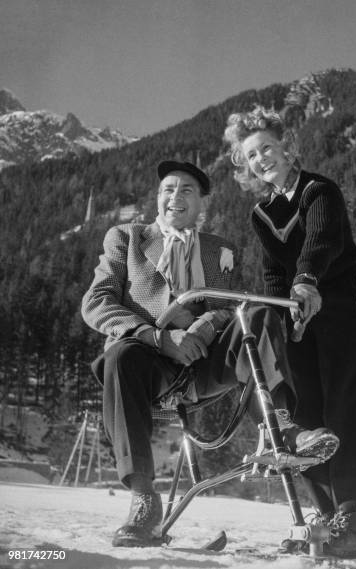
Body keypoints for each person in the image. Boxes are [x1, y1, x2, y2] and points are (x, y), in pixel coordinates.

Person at [81, 160, 338, 547]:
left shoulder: (220, 250)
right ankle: (143, 498)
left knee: (257, 313)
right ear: (157, 198)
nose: (175, 196)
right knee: (120, 356)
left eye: (186, 190)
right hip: (145, 362)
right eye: (168, 188)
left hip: (204, 362)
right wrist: (157, 337)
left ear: (202, 204)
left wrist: (206, 324)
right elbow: (97, 302)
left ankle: (279, 427)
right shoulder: (127, 238)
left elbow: (226, 304)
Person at [224, 108, 356, 560]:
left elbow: (321, 241)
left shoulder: (318, 189)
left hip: (342, 302)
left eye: (267, 147)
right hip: (297, 313)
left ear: (287, 146)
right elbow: (273, 270)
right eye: (251, 155)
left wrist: (306, 279)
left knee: (345, 405)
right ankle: (325, 519)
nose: (261, 158)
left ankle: (352, 520)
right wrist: (273, 318)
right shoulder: (262, 212)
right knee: (306, 413)